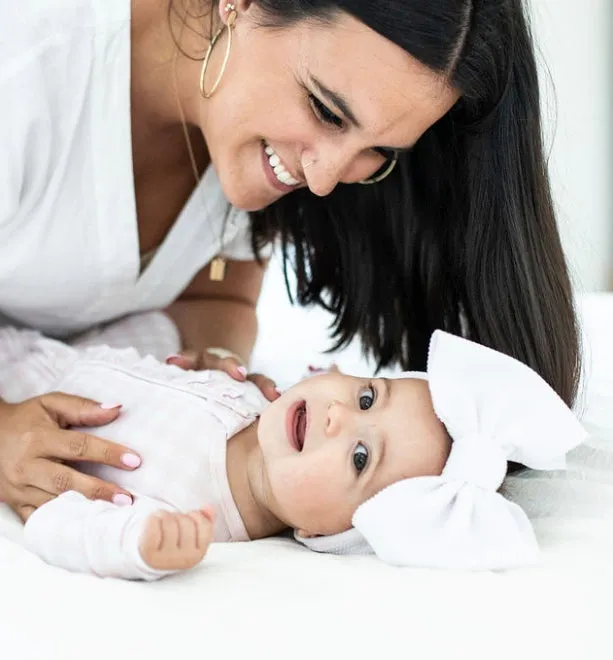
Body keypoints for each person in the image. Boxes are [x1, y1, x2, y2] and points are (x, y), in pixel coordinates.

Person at [0, 0, 581, 523]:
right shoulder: (26, 71)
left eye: (377, 151)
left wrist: (210, 368)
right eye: (327, 111)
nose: (325, 180)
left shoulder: (235, 131)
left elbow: (216, 299)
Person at [0, 325, 584, 578]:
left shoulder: (190, 510)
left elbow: (55, 519)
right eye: (364, 395)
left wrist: (138, 547)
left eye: (360, 458)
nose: (337, 416)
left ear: (329, 535)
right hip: (53, 339)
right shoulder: (261, 397)